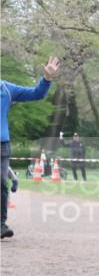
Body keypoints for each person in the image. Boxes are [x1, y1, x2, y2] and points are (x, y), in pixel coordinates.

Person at [1, 55, 59, 239]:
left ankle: (1, 224)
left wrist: (47, 78)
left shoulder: (6, 89)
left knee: (1, 183)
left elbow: (36, 93)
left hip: (1, 144)